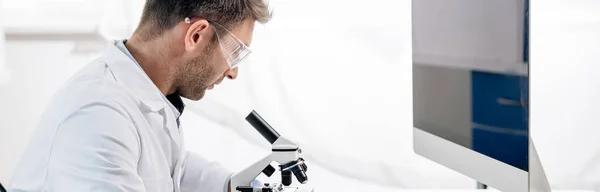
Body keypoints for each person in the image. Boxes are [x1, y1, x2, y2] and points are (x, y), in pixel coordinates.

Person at [9, 0, 271, 191]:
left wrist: (231, 185)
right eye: (235, 53)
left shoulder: (146, 98)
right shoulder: (99, 114)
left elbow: (171, 170)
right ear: (196, 35)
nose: (233, 72)